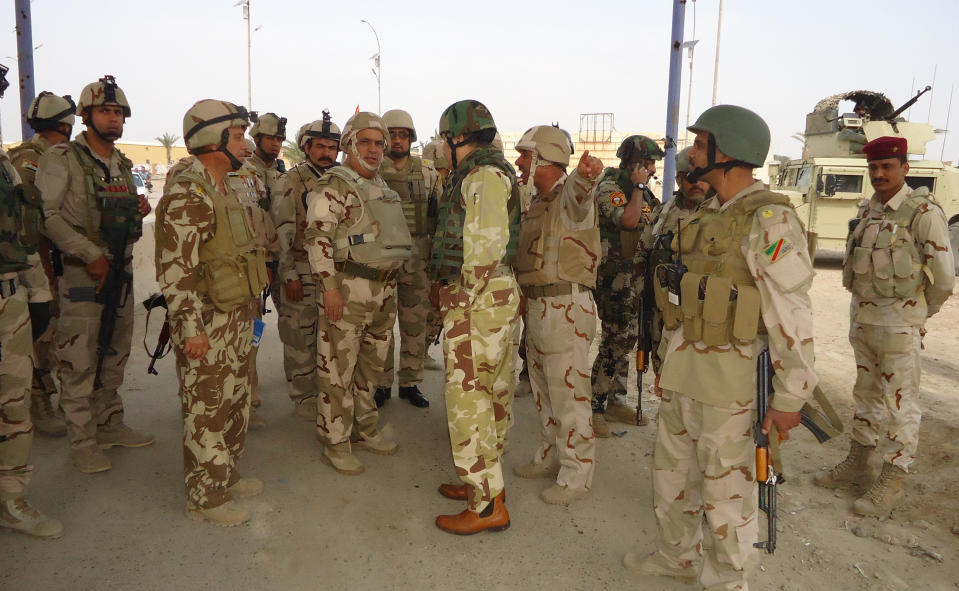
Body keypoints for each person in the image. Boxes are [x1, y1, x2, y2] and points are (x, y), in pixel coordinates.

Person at [626, 105, 817, 590]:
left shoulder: (768, 220)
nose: (691, 151)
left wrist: (790, 397)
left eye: (700, 142)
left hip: (731, 383)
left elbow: (790, 312)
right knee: (671, 478)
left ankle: (728, 582)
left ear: (725, 152)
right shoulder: (710, 213)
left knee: (727, 495)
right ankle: (678, 557)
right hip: (687, 369)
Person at [814, 136, 954, 516]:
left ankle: (893, 477)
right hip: (863, 323)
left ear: (905, 168)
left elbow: (943, 279)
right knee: (866, 395)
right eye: (873, 167)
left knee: (900, 403)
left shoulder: (922, 212)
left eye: (887, 167)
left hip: (899, 326)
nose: (879, 174)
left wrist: (920, 315)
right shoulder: (868, 210)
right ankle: (859, 463)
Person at [155, 99, 268, 526]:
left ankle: (226, 473)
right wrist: (190, 330)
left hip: (236, 312)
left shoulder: (226, 187)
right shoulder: (189, 192)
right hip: (205, 320)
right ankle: (204, 496)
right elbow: (175, 272)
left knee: (235, 398)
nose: (247, 143)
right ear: (211, 139)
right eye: (238, 135)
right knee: (206, 405)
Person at [35, 75, 153, 474]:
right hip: (83, 274)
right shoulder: (61, 158)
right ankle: (82, 441)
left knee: (116, 350)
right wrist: (89, 254)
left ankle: (109, 423)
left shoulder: (119, 163)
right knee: (80, 358)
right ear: (86, 116)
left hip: (119, 269)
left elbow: (116, 213)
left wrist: (137, 211)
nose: (113, 119)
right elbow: (47, 217)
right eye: (105, 111)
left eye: (118, 112)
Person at [430, 99, 520, 535]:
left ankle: (485, 506)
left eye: (445, 138)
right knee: (491, 392)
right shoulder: (488, 172)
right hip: (491, 296)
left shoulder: (483, 175)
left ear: (456, 137)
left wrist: (459, 301)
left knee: (469, 397)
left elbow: (483, 249)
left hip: (478, 298)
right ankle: (487, 484)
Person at [305, 112, 411, 475]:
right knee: (337, 369)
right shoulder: (334, 185)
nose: (374, 149)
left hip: (383, 289)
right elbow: (317, 238)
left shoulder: (382, 187)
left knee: (371, 367)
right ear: (349, 143)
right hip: (348, 289)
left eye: (379, 143)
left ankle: (364, 429)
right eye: (365, 141)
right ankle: (334, 442)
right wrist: (329, 287)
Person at [511, 125, 602, 506]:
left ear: (547, 159)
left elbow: (582, 194)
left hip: (565, 308)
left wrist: (585, 175)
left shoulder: (568, 196)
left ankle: (576, 474)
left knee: (569, 397)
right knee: (545, 393)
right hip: (538, 307)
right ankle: (551, 455)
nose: (519, 162)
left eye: (526, 155)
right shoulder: (537, 200)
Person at [0, 64, 64, 538]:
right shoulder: (24, 159)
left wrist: (38, 291)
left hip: (9, 301)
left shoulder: (4, 167)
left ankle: (10, 499)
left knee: (11, 404)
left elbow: (23, 233)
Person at [7, 91, 76, 437]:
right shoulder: (32, 161)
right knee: (41, 338)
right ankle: (40, 403)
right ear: (65, 125)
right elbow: (32, 222)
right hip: (36, 264)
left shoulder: (41, 156)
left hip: (48, 261)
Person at [590, 135, 663, 437]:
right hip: (613, 278)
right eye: (649, 164)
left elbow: (656, 220)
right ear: (636, 164)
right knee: (616, 339)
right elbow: (629, 221)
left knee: (630, 339)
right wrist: (638, 186)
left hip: (635, 277)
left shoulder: (641, 192)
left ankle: (615, 398)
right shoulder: (610, 188)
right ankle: (593, 404)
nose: (653, 170)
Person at [270, 113, 341, 420]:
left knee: (329, 336)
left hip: (333, 272)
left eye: (332, 147)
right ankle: (303, 396)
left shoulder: (341, 179)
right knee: (300, 336)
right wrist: (288, 275)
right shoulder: (290, 181)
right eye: (320, 147)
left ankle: (326, 390)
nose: (327, 153)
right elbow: (282, 233)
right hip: (300, 268)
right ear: (307, 147)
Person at [373, 109, 442, 409]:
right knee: (381, 327)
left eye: (404, 135)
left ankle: (410, 382)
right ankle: (381, 383)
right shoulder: (371, 173)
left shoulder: (427, 173)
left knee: (415, 327)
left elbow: (438, 220)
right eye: (393, 135)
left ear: (412, 138)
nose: (398, 140)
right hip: (382, 263)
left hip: (417, 263)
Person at [641, 146, 708, 380]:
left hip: (704, 308)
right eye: (691, 178)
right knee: (666, 371)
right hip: (666, 307)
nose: (698, 183)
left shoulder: (717, 213)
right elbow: (644, 253)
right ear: (679, 178)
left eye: (703, 177)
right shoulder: (663, 213)